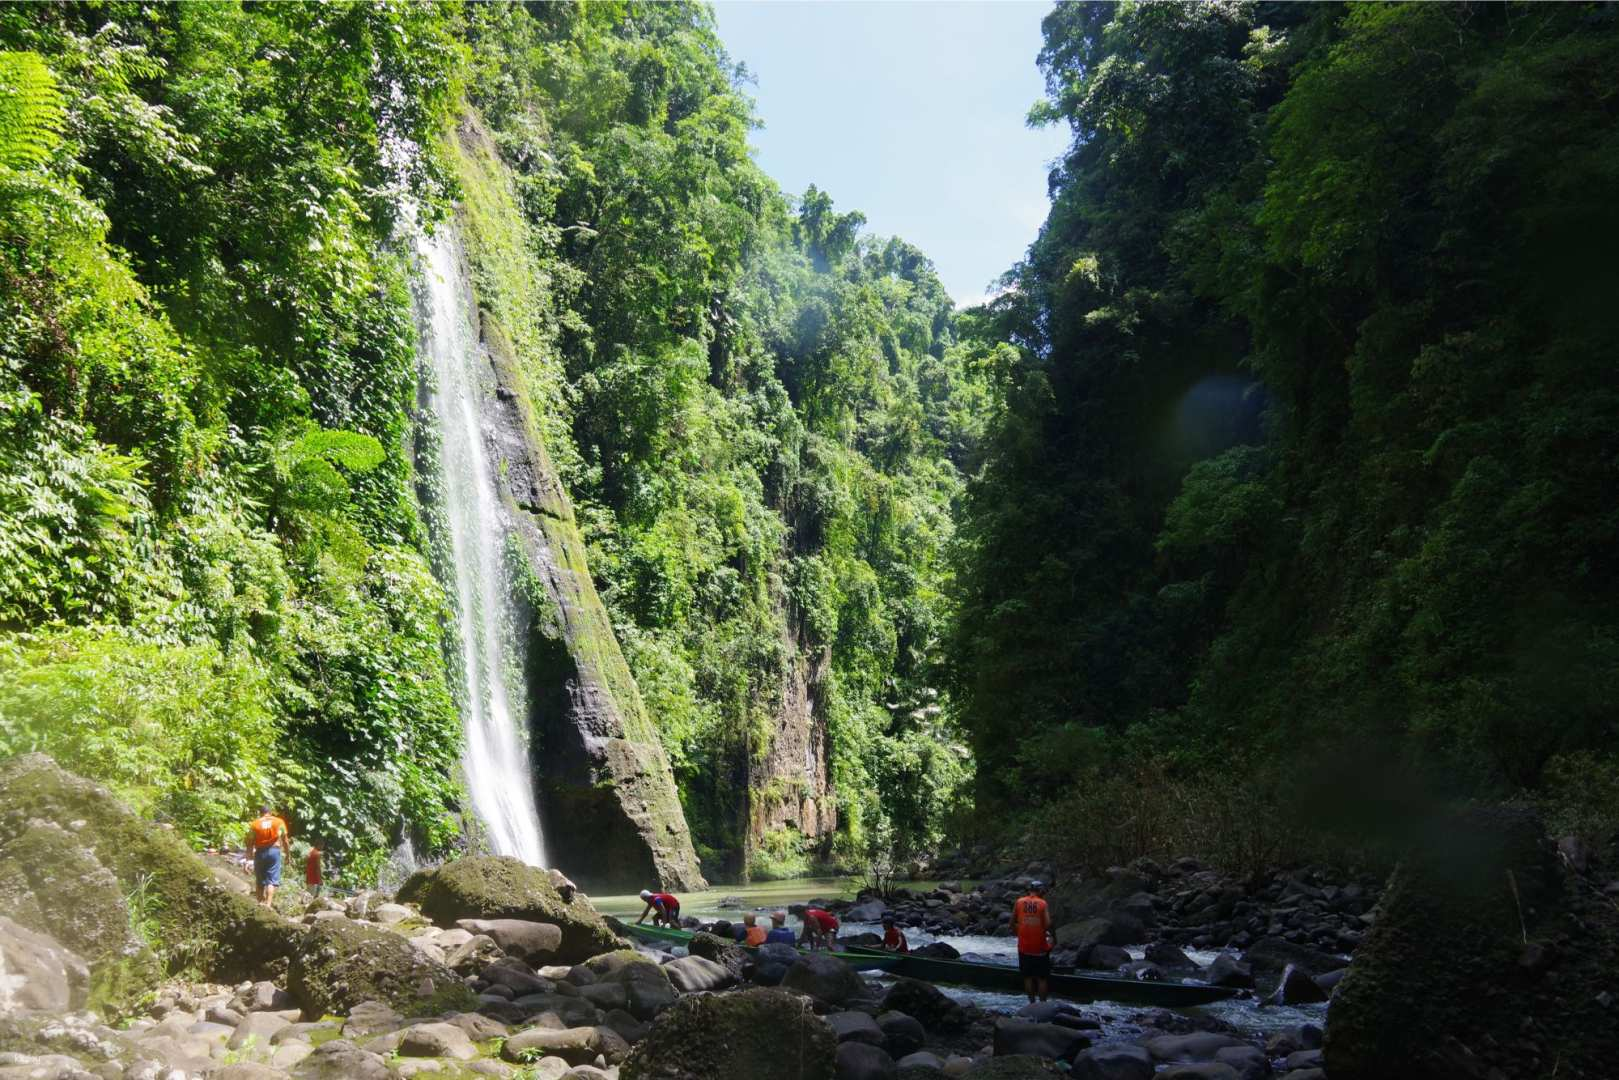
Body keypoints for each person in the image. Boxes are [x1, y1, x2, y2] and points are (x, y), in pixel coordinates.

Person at [1013, 879, 1054, 1003]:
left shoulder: (1019, 902)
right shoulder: (1042, 903)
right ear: (1040, 891)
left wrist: (1019, 933)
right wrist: (1053, 939)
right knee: (1042, 978)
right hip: (1040, 947)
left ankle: (1031, 1004)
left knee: (1028, 978)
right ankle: (1042, 1005)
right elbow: (1047, 925)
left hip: (1024, 947)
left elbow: (1012, 922)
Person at [246, 805, 290, 908]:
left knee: (260, 880)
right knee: (271, 880)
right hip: (274, 852)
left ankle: (260, 903)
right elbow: (285, 840)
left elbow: (249, 843)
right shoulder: (279, 822)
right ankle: (268, 905)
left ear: (260, 813)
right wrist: (288, 855)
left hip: (260, 853)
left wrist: (247, 860)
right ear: (270, 812)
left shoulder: (255, 824)